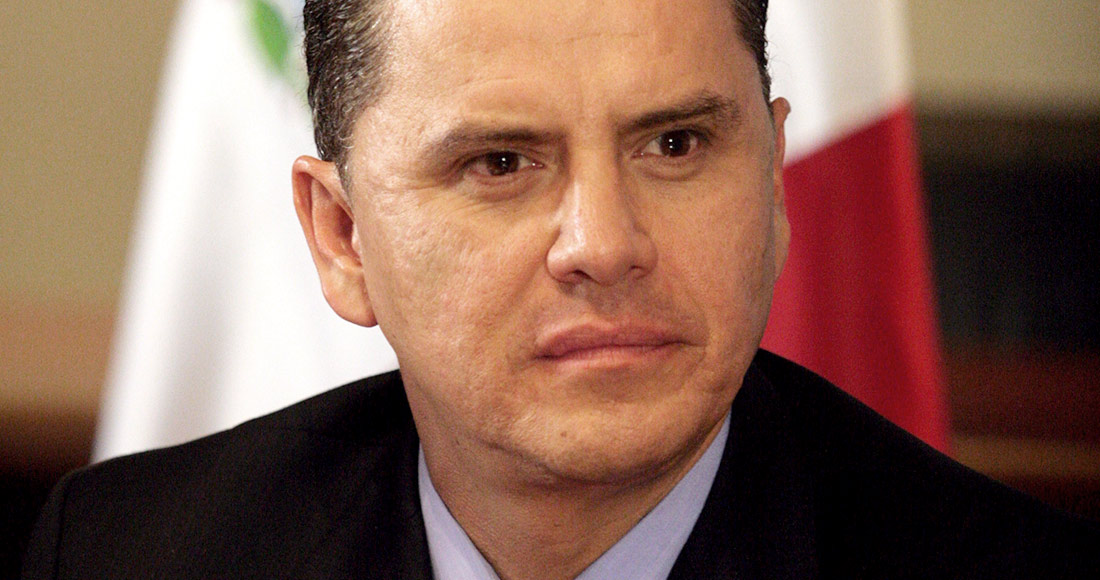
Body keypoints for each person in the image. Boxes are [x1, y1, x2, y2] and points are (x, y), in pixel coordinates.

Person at [22, 0, 1099, 578]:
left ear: (773, 183)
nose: (604, 244)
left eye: (675, 144)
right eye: (501, 163)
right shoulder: (130, 553)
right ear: (343, 237)